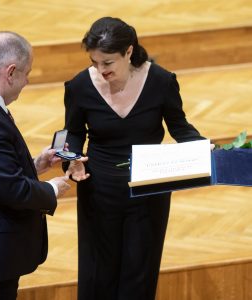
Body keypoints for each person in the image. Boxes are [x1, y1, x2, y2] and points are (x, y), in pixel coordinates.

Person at [64, 17, 205, 300]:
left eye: (108, 63)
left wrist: (206, 150)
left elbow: (180, 127)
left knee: (140, 270)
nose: (100, 70)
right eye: (94, 62)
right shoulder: (80, 85)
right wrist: (71, 159)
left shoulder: (162, 81)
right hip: (100, 190)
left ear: (129, 52)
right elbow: (73, 133)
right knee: (98, 270)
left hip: (149, 189)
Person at [0, 31, 87, 300]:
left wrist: (36, 165)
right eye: (27, 73)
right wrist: (52, 189)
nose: (27, 81)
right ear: (11, 72)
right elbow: (12, 190)